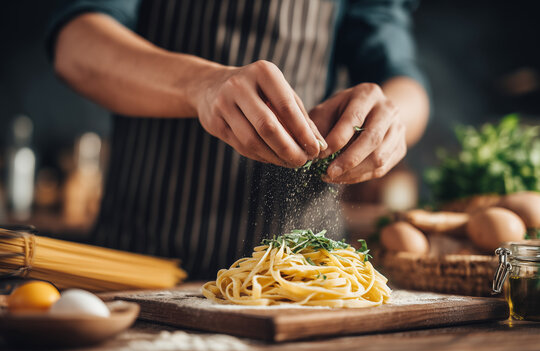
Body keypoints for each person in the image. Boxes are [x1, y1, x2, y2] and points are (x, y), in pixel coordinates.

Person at [48, 0, 429, 279]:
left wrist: (389, 117)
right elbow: (76, 45)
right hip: (140, 263)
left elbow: (402, 80)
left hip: (306, 275)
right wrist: (199, 85)